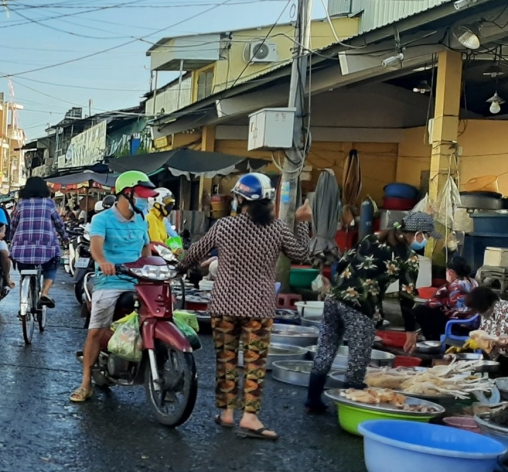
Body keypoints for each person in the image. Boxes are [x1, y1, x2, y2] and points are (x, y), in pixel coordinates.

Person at [178, 173, 313, 439]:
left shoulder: (224, 226)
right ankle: (249, 417)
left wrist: (180, 267)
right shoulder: (278, 229)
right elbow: (302, 255)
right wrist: (302, 224)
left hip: (225, 304)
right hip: (259, 308)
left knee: (226, 360)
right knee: (254, 362)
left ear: (240, 199)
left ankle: (227, 413)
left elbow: (196, 251)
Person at [305, 211, 436, 413]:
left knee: (325, 349)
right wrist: (411, 330)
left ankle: (312, 401)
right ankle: (349, 408)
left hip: (334, 298)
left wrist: (338, 286)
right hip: (361, 306)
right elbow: (407, 296)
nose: (425, 241)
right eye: (426, 236)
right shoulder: (408, 258)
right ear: (417, 233)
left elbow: (342, 262)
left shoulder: (372, 237)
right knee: (358, 361)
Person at [71, 171, 156, 403]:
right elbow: (96, 247)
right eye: (141, 196)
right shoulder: (102, 219)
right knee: (96, 330)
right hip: (111, 281)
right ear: (126, 194)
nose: (145, 201)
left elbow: (146, 250)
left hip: (138, 281)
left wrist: (151, 266)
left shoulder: (142, 220)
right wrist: (103, 262)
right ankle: (86, 382)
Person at [10, 176, 67, 309]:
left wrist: (12, 239)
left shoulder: (21, 204)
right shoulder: (49, 204)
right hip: (46, 249)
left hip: (21, 250)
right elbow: (59, 223)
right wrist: (65, 237)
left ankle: (25, 293)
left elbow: (13, 224)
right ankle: (45, 293)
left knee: (24, 272)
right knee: (52, 265)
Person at [413, 255, 478, 341]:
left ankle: (433, 339)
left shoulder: (451, 286)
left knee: (420, 310)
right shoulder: (474, 282)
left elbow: (431, 304)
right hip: (472, 323)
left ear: (450, 272)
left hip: (456, 325)